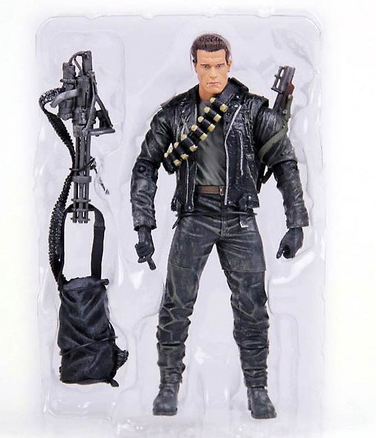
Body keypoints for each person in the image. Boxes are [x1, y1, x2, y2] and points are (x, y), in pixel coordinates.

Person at [130, 33, 309, 419]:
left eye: (218, 65)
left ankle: (257, 389)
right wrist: (143, 225)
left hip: (240, 216)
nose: (212, 74)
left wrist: (296, 222)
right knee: (175, 306)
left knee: (253, 308)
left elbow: (284, 163)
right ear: (194, 66)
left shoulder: (252, 110)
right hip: (194, 216)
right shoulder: (175, 113)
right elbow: (146, 165)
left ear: (230, 64)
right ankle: (168, 387)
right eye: (205, 66)